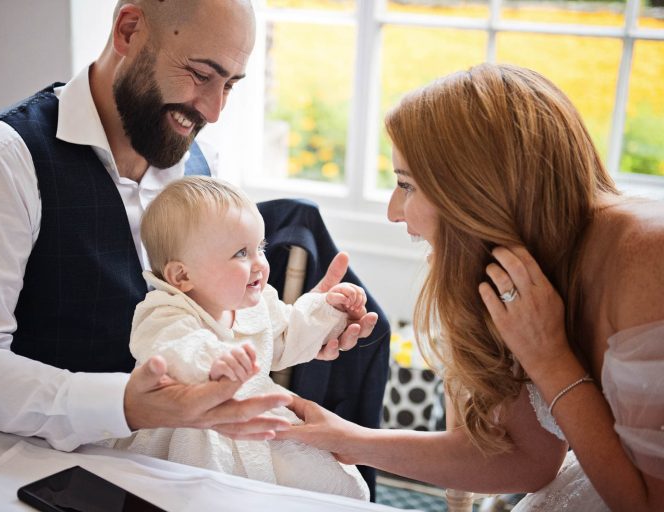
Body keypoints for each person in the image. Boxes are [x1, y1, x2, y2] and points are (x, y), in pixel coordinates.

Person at [0, 0, 385, 472]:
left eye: (230, 85)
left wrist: (292, 326)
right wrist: (125, 405)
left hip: (184, 471)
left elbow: (211, 319)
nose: (214, 110)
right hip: (35, 471)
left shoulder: (205, 164)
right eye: (201, 75)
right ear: (128, 29)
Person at [275, 63, 664, 512]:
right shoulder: (513, 271)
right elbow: (525, 458)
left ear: (477, 190)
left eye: (406, 185)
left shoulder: (647, 258)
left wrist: (550, 358)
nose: (393, 212)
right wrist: (346, 438)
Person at [111, 176, 370, 499]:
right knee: (204, 496)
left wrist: (328, 310)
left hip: (255, 422)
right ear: (182, 275)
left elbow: (290, 333)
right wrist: (214, 361)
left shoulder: (257, 304)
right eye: (241, 253)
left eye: (259, 247)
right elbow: (173, 350)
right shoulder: (164, 311)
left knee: (341, 486)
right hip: (192, 429)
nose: (260, 263)